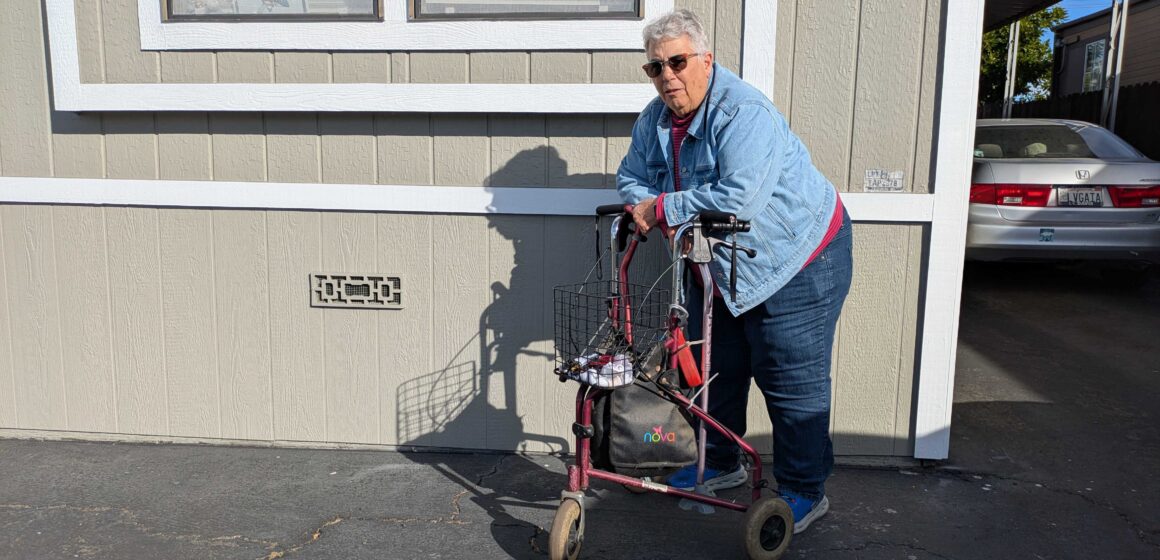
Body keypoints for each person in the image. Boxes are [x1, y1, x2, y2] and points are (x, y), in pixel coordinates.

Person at [616, 9, 853, 535]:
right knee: (717, 366)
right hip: (717, 263)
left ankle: (803, 491)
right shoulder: (653, 120)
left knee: (790, 379)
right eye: (655, 68)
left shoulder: (744, 113)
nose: (667, 76)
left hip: (795, 259)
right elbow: (631, 176)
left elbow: (739, 198)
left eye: (677, 61)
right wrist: (645, 202)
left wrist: (661, 208)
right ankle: (721, 462)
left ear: (706, 60)